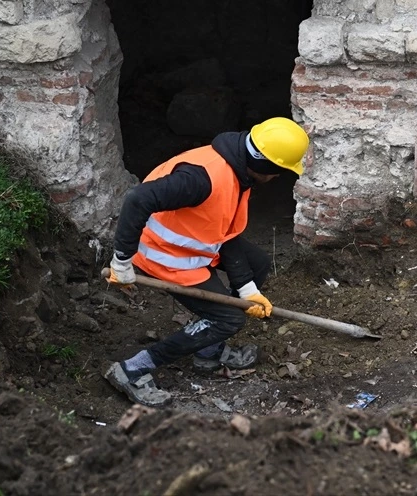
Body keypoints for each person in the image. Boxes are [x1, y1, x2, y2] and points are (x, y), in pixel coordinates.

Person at [103, 117, 310, 406]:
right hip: (165, 255)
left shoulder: (239, 171)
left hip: (197, 246)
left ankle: (208, 350)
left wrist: (247, 288)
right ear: (264, 164)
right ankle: (134, 368)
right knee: (227, 318)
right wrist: (122, 261)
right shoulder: (201, 178)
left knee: (258, 264)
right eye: (279, 171)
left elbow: (226, 233)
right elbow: (138, 199)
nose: (279, 177)